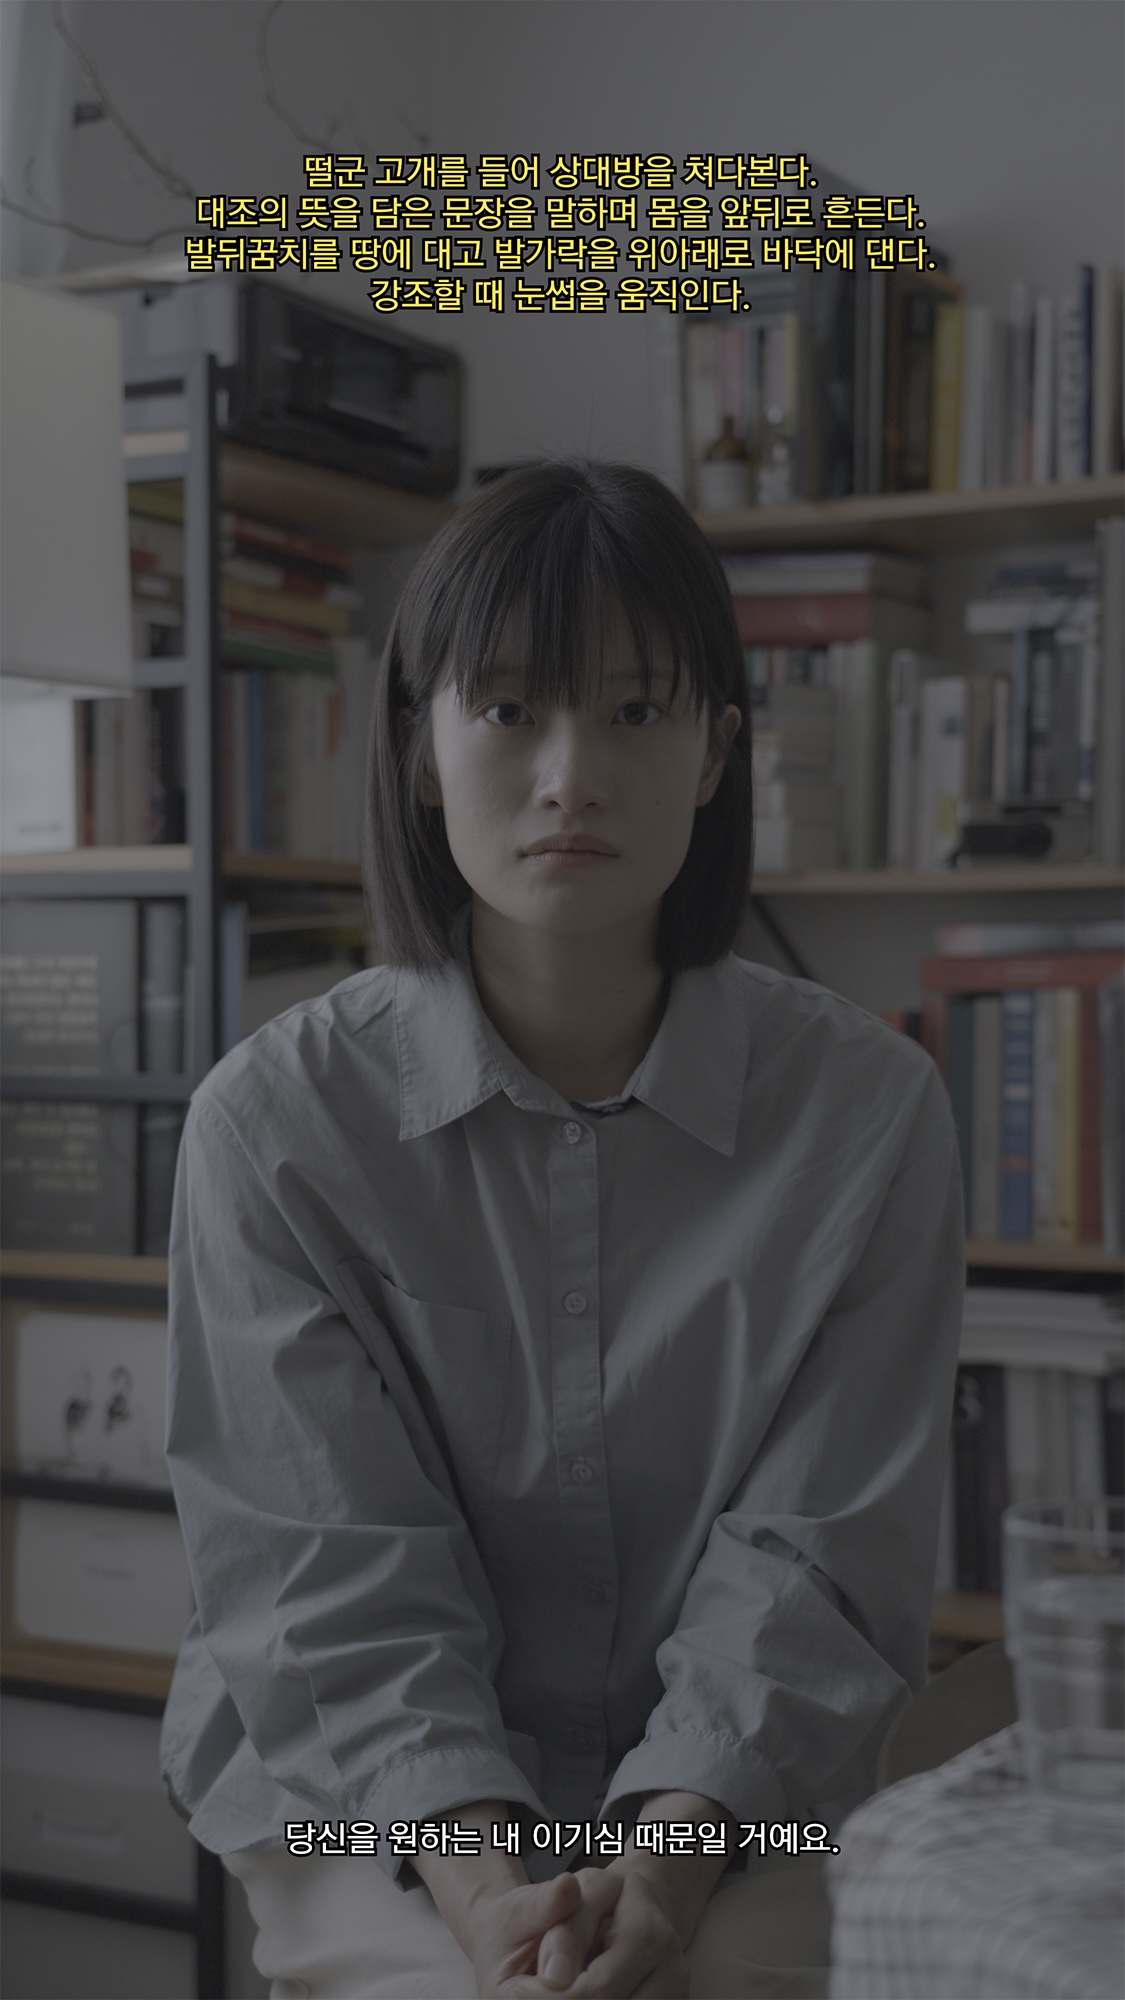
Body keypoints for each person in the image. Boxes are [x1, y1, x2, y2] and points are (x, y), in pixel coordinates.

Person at [161, 461, 964, 1999]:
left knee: (730, 1980)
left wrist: (659, 1870)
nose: (568, 776)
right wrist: (485, 1892)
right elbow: (326, 1577)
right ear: (419, 744)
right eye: (509, 709)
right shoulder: (272, 1123)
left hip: (755, 1804)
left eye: (636, 711)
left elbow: (817, 1558)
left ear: (718, 748)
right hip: (358, 1807)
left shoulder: (868, 1112)